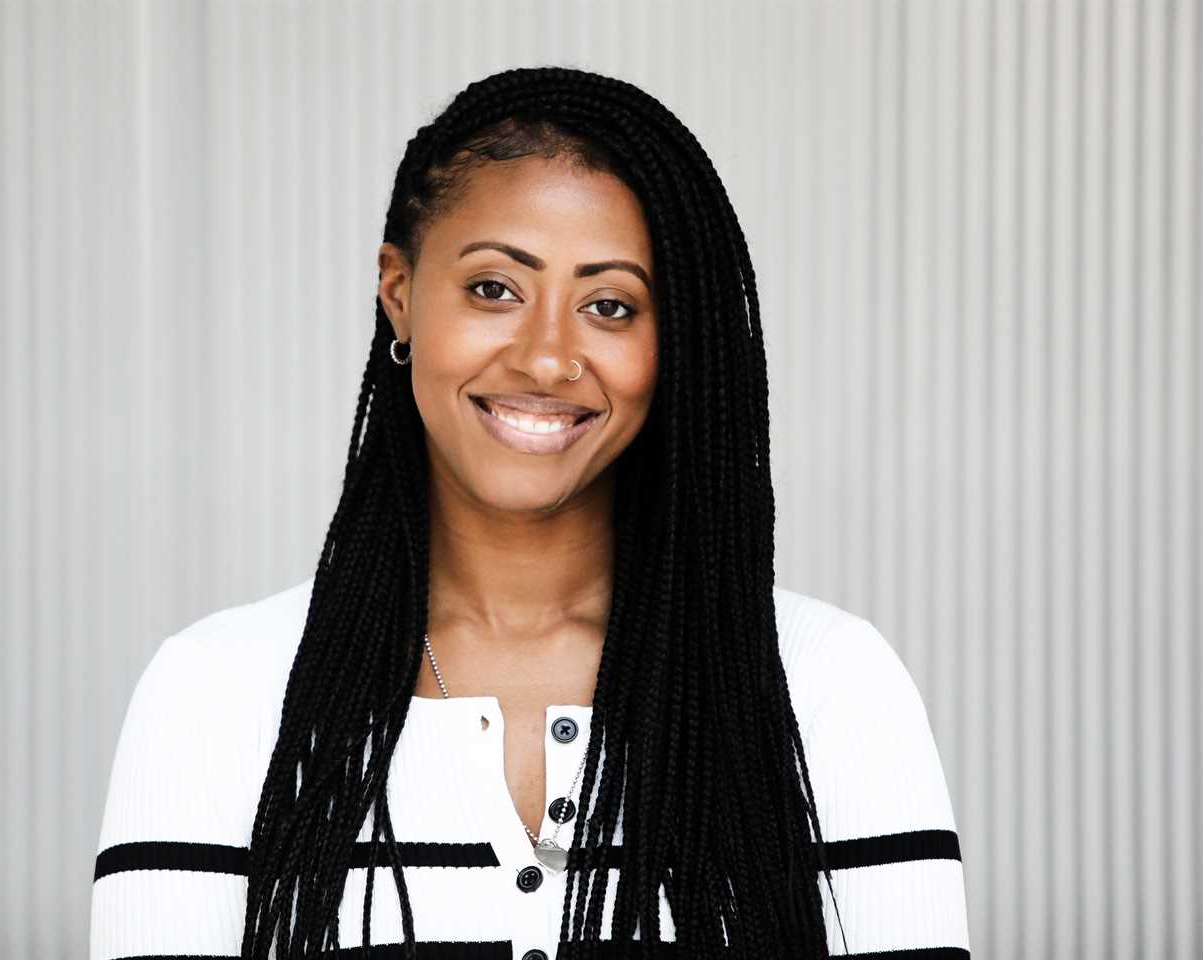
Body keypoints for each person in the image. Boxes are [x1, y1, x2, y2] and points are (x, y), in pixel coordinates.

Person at [89, 66, 970, 960]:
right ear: (399, 292)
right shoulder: (217, 693)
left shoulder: (823, 687)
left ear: (672, 345)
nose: (549, 359)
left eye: (609, 306)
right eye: (494, 289)